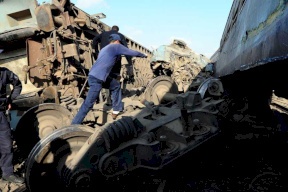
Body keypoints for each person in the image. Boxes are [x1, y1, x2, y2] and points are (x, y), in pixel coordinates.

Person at [71, 34, 147, 124]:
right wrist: (143, 55)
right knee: (88, 104)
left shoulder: (104, 49)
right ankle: (74, 125)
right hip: (97, 79)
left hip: (96, 76)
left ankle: (116, 110)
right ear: (118, 41)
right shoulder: (116, 46)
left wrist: (115, 76)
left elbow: (104, 66)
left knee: (116, 86)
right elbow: (131, 52)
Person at [0, 66, 24, 184]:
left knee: (7, 144)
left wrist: (10, 100)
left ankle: (8, 173)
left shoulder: (4, 73)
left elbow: (18, 84)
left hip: (0, 115)